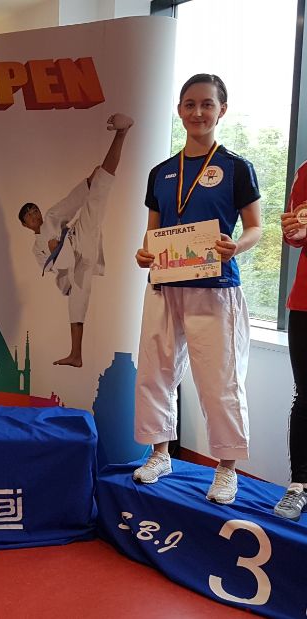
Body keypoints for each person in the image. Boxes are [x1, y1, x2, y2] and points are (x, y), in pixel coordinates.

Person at [132, 74, 261, 505]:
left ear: (222, 110)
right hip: (164, 285)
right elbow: (152, 233)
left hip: (215, 286)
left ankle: (226, 468)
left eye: (207, 104)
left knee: (220, 379)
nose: (198, 112)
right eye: (189, 104)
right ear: (180, 110)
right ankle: (159, 454)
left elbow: (256, 227)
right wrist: (144, 253)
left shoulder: (237, 168)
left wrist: (236, 245)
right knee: (154, 372)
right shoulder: (161, 172)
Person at [18, 113, 133, 367]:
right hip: (69, 268)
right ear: (25, 225)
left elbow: (71, 203)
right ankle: (76, 355)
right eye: (29, 215)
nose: (34, 214)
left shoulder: (51, 217)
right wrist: (55, 253)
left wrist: (90, 182)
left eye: (34, 210)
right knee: (77, 305)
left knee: (99, 188)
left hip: (78, 238)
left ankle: (121, 133)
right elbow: (50, 267)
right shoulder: (36, 248)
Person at [274, 160, 307, 520]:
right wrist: (293, 231)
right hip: (305, 301)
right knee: (306, 395)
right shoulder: (306, 171)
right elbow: (294, 232)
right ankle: (299, 485)